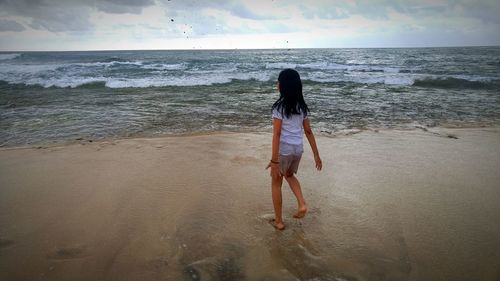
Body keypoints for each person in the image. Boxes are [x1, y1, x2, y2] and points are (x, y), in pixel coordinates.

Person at [266, 68, 322, 230]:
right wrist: (316, 155)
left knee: (276, 183)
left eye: (278, 81)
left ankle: (279, 221)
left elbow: (276, 134)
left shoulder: (279, 107)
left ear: (282, 86)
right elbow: (309, 131)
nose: (277, 84)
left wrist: (274, 160)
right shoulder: (301, 106)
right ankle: (302, 203)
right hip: (298, 149)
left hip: (283, 150)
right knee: (289, 175)